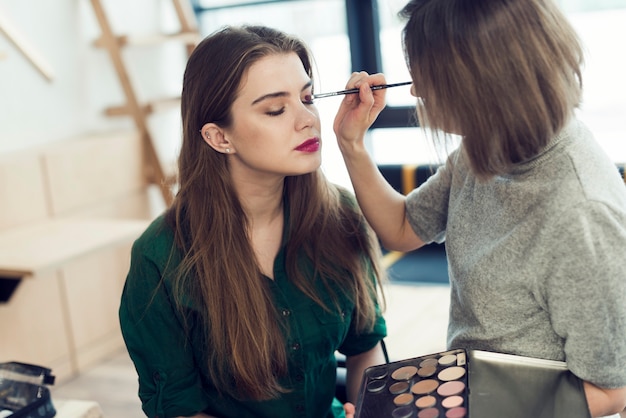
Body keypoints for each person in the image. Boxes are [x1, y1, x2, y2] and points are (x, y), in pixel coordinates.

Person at [332, 0, 626, 417]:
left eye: (425, 75)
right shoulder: (485, 146)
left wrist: (470, 408)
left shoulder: (581, 215)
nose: (415, 90)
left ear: (479, 81)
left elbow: (612, 388)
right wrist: (351, 144)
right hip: (476, 387)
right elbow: (402, 226)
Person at [119, 25, 387, 418]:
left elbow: (366, 349)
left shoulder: (340, 215)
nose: (307, 120)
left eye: (307, 98)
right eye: (276, 109)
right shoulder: (159, 259)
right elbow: (180, 410)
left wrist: (371, 410)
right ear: (218, 137)